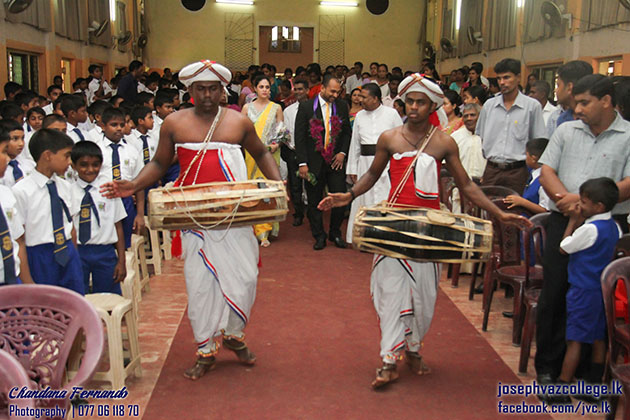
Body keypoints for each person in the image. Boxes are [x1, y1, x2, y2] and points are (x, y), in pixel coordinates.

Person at [318, 73, 530, 389]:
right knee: (390, 295)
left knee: (424, 300)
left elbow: (467, 185)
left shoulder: (443, 142)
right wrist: (348, 196)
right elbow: (373, 175)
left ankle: (414, 349)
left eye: (421, 102)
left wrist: (499, 213)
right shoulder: (389, 138)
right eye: (410, 102)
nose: (414, 107)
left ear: (431, 105)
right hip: (394, 227)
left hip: (430, 230)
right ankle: (389, 359)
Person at [101, 59, 282, 380]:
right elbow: (158, 163)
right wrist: (133, 185)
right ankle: (205, 348)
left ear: (223, 90)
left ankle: (233, 334)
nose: (208, 95)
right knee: (201, 285)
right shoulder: (174, 123)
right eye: (201, 89)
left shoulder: (238, 122)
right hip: (193, 214)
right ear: (190, 91)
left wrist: (277, 185)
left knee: (245, 279)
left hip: (235, 213)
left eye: (214, 89)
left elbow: (262, 152)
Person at [536, 74, 630, 391]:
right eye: (576, 102)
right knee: (555, 294)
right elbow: (547, 169)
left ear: (606, 101)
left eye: (584, 102)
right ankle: (549, 367)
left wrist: (590, 203)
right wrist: (567, 200)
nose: (577, 109)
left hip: (606, 228)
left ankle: (591, 371)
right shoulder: (566, 131)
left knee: (598, 299)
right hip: (566, 222)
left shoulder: (628, 135)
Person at [556, 178, 621, 397]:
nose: (580, 205)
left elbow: (564, 248)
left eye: (583, 202)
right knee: (597, 337)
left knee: (575, 339)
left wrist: (573, 221)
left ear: (598, 206)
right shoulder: (615, 227)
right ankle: (593, 385)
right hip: (602, 290)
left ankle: (562, 386)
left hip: (583, 289)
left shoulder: (590, 229)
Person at [13, 129, 83, 293]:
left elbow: (70, 225)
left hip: (67, 252)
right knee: (46, 306)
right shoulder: (21, 191)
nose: (69, 162)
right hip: (40, 255)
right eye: (66, 156)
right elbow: (19, 239)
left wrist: (75, 258)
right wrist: (27, 280)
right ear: (47, 155)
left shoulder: (65, 187)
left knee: (74, 302)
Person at [295, 74, 352, 250]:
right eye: (332, 91)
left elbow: (346, 133)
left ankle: (335, 233)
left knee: (338, 197)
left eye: (338, 92)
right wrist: (302, 163)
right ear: (322, 88)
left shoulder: (342, 106)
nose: (335, 95)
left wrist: (342, 152)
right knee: (314, 200)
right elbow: (300, 137)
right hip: (313, 162)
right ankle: (319, 235)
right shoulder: (306, 107)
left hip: (335, 162)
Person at [475, 58, 546, 194]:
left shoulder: (531, 107)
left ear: (518, 77)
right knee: (487, 210)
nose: (502, 82)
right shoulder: (489, 106)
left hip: (518, 172)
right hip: (491, 170)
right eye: (499, 78)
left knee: (514, 212)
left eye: (507, 77)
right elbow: (481, 136)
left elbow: (537, 141)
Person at [346, 83, 403, 243]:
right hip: (364, 164)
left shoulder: (391, 114)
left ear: (376, 98)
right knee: (363, 199)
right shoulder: (359, 116)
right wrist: (352, 168)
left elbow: (401, 139)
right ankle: (363, 238)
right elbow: (355, 144)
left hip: (388, 164)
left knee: (384, 198)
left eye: (364, 97)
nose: (360, 100)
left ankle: (384, 237)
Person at [70, 141, 126, 294]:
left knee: (108, 296)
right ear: (73, 166)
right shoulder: (68, 193)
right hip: (78, 252)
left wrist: (121, 260)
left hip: (105, 252)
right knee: (78, 296)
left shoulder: (109, 190)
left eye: (95, 164)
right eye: (83, 165)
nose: (90, 170)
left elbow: (118, 225)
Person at [241, 75, 287, 247]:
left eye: (267, 87)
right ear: (255, 89)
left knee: (267, 190)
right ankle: (251, 228)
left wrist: (276, 145)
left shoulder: (276, 108)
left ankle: (265, 231)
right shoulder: (246, 108)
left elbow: (280, 131)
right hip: (251, 155)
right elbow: (241, 131)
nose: (265, 90)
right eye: (261, 87)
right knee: (252, 190)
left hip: (269, 154)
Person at [0, 127, 27, 286]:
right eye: (3, 152)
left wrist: (27, 284)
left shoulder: (6, 194)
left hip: (12, 279)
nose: (7, 158)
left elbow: (18, 241)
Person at [282, 79, 309, 227]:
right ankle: (298, 213)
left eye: (301, 89)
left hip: (311, 153)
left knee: (311, 183)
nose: (298, 92)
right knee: (295, 185)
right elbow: (286, 132)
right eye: (296, 89)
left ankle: (312, 211)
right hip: (293, 151)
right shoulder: (289, 110)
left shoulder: (315, 108)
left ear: (307, 90)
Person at [450, 103, 486, 212]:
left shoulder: (489, 136)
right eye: (466, 116)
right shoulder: (455, 137)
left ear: (480, 116)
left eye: (472, 115)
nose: (469, 119)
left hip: (484, 188)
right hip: (460, 189)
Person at [503, 138, 550, 214]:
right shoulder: (533, 174)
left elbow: (545, 211)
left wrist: (522, 202)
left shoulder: (545, 181)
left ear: (533, 158)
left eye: (526, 154)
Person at [549, 60, 593, 134]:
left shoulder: (594, 118)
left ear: (569, 87)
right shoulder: (560, 118)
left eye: (558, 85)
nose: (555, 91)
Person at [0, 120, 33, 187]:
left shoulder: (30, 164)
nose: (21, 143)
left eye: (22, 138)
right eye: (15, 139)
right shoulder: (2, 169)